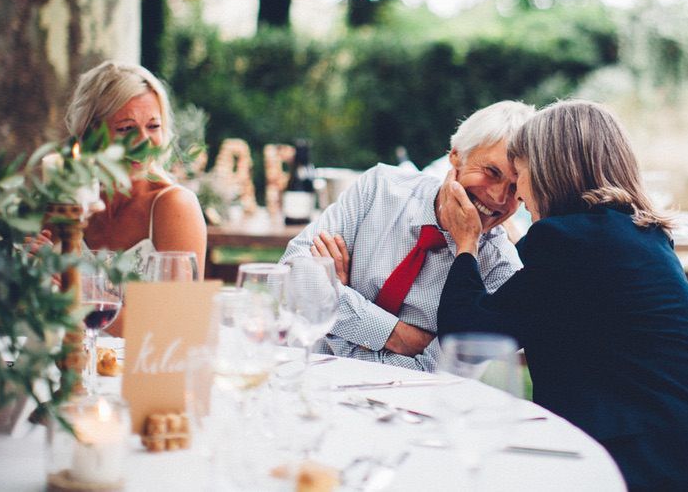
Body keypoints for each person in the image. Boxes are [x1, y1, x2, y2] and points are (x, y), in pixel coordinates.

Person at [438, 100, 688, 491]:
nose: (517, 192)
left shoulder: (567, 241)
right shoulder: (639, 235)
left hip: (626, 462)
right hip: (669, 442)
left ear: (547, 171)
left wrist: (466, 242)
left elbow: (466, 335)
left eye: (519, 174)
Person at [280, 100, 536, 372]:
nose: (498, 197)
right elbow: (286, 281)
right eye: (491, 172)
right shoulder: (378, 188)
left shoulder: (502, 270)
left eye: (513, 186)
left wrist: (334, 307)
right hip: (308, 382)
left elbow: (432, 377)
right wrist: (397, 335)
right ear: (456, 156)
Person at [29, 61, 207, 276]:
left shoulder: (174, 205)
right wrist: (37, 272)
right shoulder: (69, 201)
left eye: (153, 126)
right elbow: (51, 296)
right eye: (126, 129)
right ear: (90, 133)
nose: (143, 142)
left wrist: (78, 290)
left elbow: (179, 308)